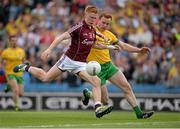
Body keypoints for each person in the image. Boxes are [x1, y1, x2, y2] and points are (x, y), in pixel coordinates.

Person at [13, 6, 117, 118]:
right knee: (46, 78)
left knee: (96, 81)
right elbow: (61, 37)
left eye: (95, 18)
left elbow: (95, 44)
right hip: (68, 60)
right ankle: (26, 68)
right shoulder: (78, 27)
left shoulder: (93, 30)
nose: (93, 20)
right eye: (91, 17)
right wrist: (49, 49)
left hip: (81, 64)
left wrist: (110, 47)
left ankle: (98, 108)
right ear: (85, 15)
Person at [82, 12, 154, 119]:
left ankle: (139, 113)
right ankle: (88, 94)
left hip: (109, 66)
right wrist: (110, 47)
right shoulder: (90, 31)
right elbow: (95, 44)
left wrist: (139, 50)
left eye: (107, 24)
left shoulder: (110, 35)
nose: (104, 25)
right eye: (103, 22)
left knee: (127, 87)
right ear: (98, 20)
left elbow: (123, 46)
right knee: (104, 100)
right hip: (96, 69)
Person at [1, 35, 26, 111]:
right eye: (12, 40)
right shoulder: (5, 52)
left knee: (21, 93)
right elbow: (2, 62)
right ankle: (17, 106)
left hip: (19, 73)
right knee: (15, 90)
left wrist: (25, 69)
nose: (14, 42)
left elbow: (23, 62)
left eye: (15, 40)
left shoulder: (21, 51)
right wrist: (4, 69)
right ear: (10, 42)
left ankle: (8, 85)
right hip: (10, 72)